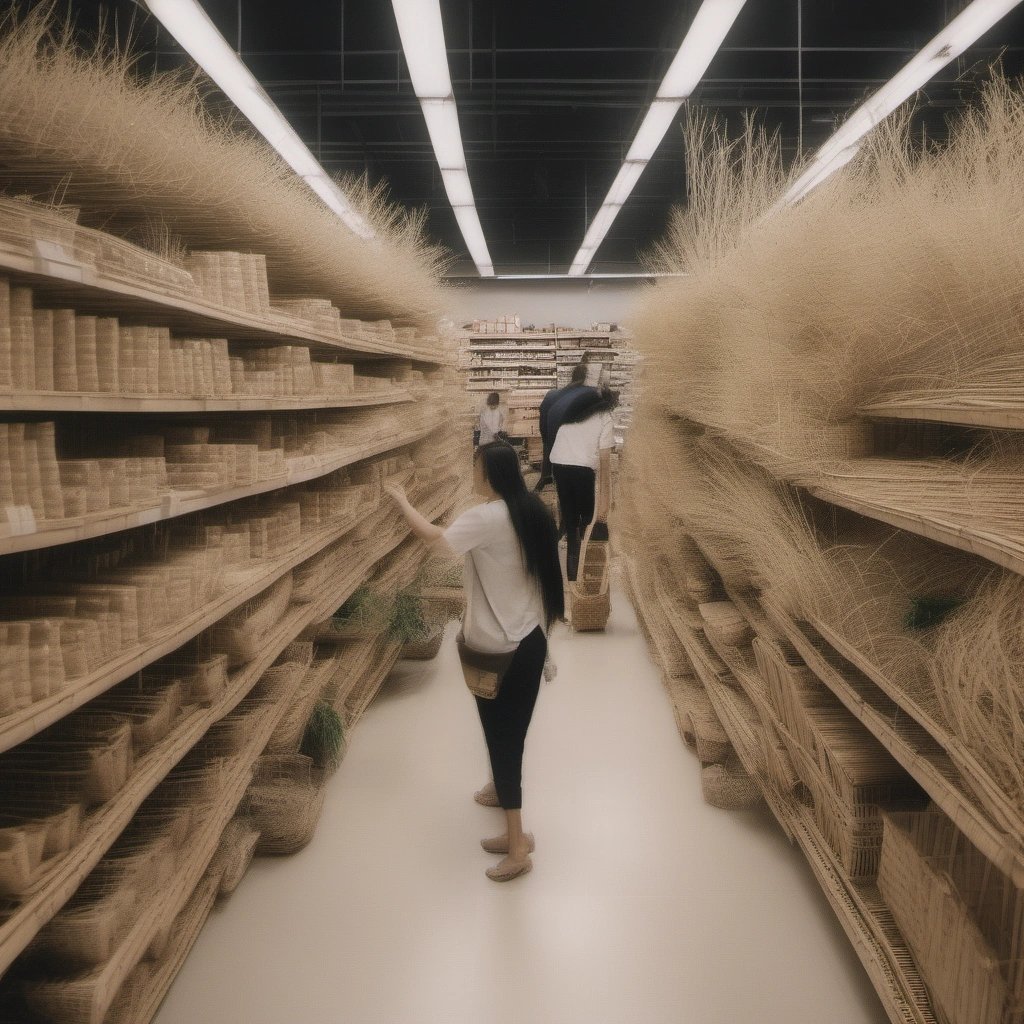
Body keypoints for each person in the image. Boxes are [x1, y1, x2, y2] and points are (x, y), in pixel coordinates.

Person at [385, 441, 563, 883]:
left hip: (501, 648)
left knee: (505, 744)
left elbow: (436, 540)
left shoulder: (486, 517)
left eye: (476, 466)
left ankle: (518, 846)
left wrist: (401, 499)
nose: (472, 472)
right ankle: (512, 828)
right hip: (528, 642)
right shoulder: (529, 511)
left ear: (491, 473)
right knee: (506, 737)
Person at [550, 387, 618, 582]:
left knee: (571, 523)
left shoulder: (575, 411)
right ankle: (584, 574)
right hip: (581, 468)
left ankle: (571, 578)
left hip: (559, 464)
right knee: (588, 520)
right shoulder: (605, 418)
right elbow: (604, 464)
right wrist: (605, 500)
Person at [535, 357, 599, 490]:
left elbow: (543, 423)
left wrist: (546, 441)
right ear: (585, 379)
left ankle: (545, 477)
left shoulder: (552, 395)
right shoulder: (589, 395)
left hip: (553, 447)